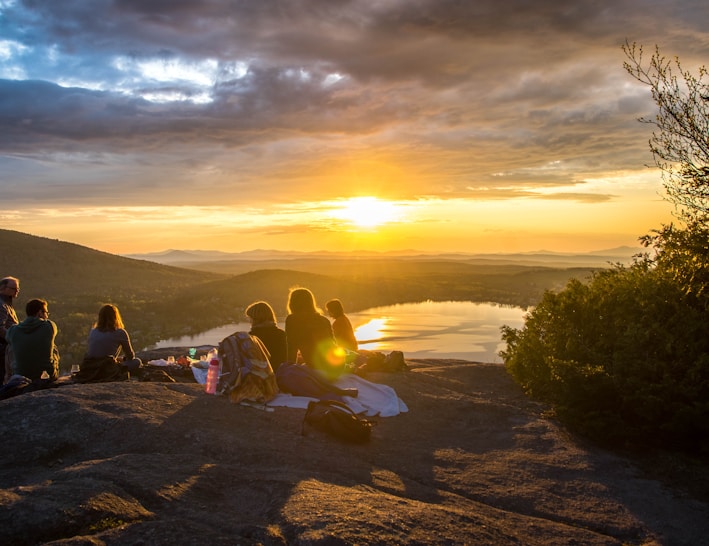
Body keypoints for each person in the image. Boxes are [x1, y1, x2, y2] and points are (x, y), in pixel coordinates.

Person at [6, 298, 59, 383]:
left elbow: (8, 337)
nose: (47, 316)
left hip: (20, 376)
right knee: (54, 347)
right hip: (45, 375)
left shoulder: (13, 330)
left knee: (10, 347)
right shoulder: (49, 326)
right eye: (46, 313)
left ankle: (8, 378)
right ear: (39, 313)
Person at [85, 304, 142, 372]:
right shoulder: (120, 332)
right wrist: (122, 359)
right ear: (115, 317)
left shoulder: (93, 331)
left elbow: (98, 354)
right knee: (137, 362)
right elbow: (130, 356)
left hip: (90, 368)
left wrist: (117, 359)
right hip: (107, 369)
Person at [245, 300, 287, 371]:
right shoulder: (282, 334)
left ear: (255, 319)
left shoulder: (251, 338)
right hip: (282, 376)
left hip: (260, 378)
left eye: (250, 318)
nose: (249, 321)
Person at [0, 276, 20, 384]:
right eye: (14, 289)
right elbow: (0, 328)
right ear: (3, 288)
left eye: (18, 289)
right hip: (3, 348)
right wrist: (14, 339)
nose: (17, 291)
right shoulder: (1, 305)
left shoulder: (6, 303)